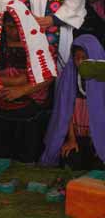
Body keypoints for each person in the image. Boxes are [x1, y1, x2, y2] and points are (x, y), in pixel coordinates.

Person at [0, 0, 56, 163]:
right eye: (8, 27)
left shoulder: (36, 41)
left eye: (15, 27)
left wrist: (21, 89)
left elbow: (48, 76)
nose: (11, 31)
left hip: (29, 95)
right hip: (2, 92)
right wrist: (10, 82)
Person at [41, 34, 105, 170]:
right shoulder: (68, 77)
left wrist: (99, 141)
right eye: (77, 58)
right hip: (76, 135)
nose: (80, 62)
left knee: (98, 166)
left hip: (99, 136)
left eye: (85, 58)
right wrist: (71, 139)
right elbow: (65, 112)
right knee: (70, 160)